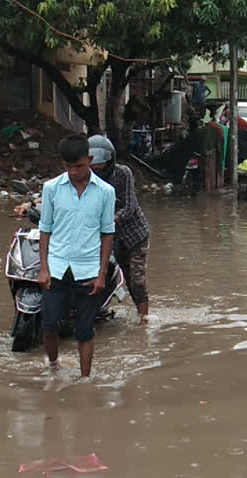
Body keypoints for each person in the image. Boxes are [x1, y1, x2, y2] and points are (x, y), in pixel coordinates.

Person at [38, 134, 116, 377]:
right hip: (57, 266)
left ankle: (85, 381)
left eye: (79, 166)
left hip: (89, 270)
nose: (73, 172)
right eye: (68, 167)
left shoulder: (105, 192)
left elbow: (107, 233)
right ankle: (53, 366)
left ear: (89, 160)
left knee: (85, 330)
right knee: (50, 326)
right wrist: (44, 268)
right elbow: (45, 229)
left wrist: (102, 274)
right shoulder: (51, 189)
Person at [88, 135, 151, 324]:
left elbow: (130, 207)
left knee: (136, 282)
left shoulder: (123, 173)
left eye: (101, 165)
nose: (97, 169)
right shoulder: (87, 180)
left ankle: (144, 320)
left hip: (134, 236)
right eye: (93, 166)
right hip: (110, 240)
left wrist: (109, 221)